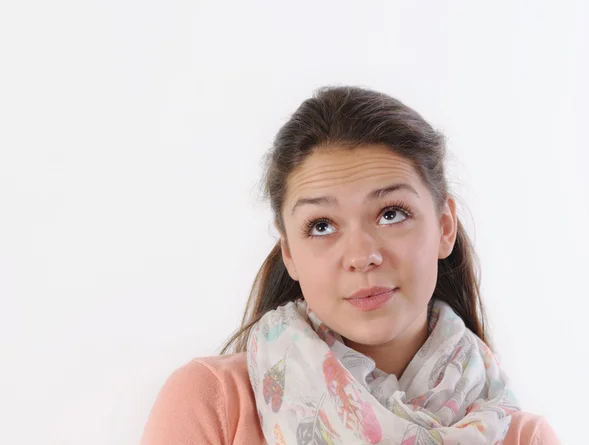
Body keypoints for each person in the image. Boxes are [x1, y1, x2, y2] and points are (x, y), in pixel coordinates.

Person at [139, 86, 561, 444]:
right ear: (289, 253)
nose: (362, 257)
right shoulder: (214, 403)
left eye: (391, 214)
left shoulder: (519, 436)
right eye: (322, 226)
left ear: (444, 227)